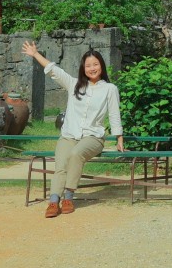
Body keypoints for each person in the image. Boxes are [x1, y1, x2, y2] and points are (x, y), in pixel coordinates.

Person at [20, 41, 124, 218]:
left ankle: (68, 198)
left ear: (101, 66)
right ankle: (54, 201)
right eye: (88, 65)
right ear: (83, 68)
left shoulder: (110, 89)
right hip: (69, 135)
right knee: (60, 165)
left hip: (93, 137)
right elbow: (54, 70)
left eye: (95, 64)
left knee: (76, 154)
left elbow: (114, 114)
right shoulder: (74, 84)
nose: (92, 68)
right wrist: (35, 54)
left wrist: (119, 138)